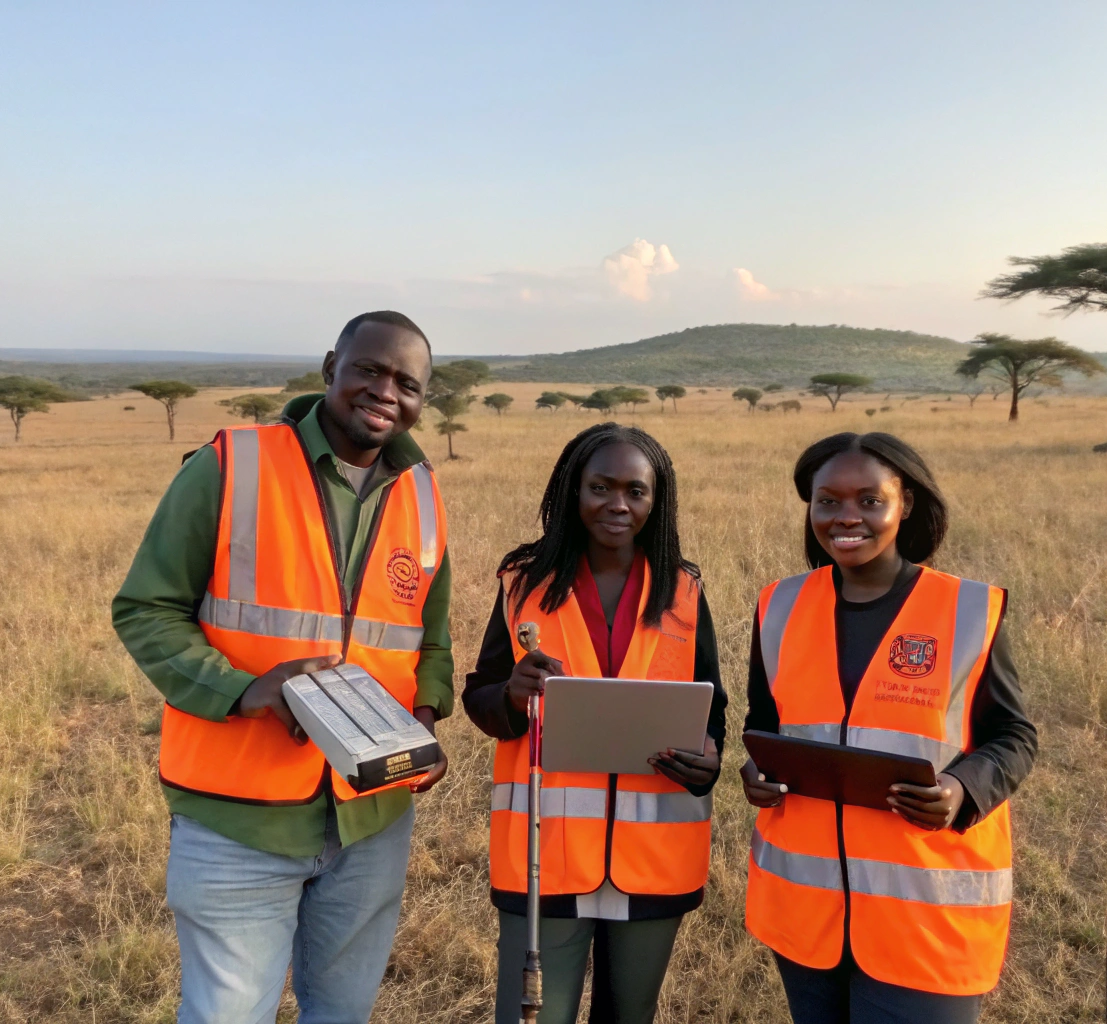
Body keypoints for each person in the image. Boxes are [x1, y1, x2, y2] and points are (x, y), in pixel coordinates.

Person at [112, 311, 453, 1024]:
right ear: (330, 366)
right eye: (368, 369)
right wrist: (242, 689)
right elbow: (145, 608)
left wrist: (422, 721)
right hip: (239, 817)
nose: (384, 391)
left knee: (342, 1013)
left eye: (406, 382)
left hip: (371, 820)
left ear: (423, 399)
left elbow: (431, 639)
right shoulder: (231, 464)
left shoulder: (421, 491)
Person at [740, 432, 1037, 1024]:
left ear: (905, 505)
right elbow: (763, 725)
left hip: (926, 914)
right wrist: (754, 773)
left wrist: (961, 790)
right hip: (807, 913)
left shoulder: (968, 610)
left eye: (870, 500)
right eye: (828, 501)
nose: (846, 517)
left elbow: (1014, 736)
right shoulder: (778, 606)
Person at [464, 422, 728, 1024]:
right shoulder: (522, 584)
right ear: (571, 492)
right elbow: (481, 699)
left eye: (636, 491)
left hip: (654, 857)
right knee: (532, 1018)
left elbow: (714, 705)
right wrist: (510, 693)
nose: (618, 504)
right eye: (600, 487)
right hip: (545, 851)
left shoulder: (685, 590)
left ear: (656, 500)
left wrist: (708, 761)